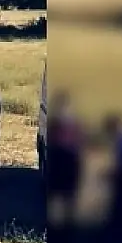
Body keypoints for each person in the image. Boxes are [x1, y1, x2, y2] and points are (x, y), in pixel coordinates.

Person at [45, 91, 83, 229]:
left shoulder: (57, 123)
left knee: (60, 198)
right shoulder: (74, 123)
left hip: (64, 163)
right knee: (67, 199)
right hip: (69, 163)